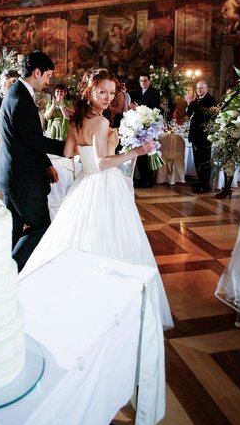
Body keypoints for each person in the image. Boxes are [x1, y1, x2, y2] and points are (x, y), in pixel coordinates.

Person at [20, 68, 173, 329]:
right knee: (110, 237)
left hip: (83, 184)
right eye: (102, 91)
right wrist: (135, 151)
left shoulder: (78, 118)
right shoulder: (100, 122)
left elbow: (69, 151)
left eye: (112, 93)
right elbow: (102, 163)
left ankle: (74, 294)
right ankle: (104, 306)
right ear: (90, 90)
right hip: (102, 182)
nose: (108, 98)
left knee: (78, 236)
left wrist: (85, 148)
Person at [0, 51, 65, 271]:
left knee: (15, 230)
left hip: (13, 177)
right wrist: (68, 148)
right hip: (24, 180)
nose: (48, 81)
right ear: (37, 72)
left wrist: (46, 164)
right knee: (41, 227)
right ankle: (10, 272)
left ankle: (3, 274)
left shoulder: (15, 93)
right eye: (47, 75)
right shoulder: (20, 99)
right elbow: (35, 140)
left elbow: (24, 139)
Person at [130, 73, 161, 188]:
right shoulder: (138, 93)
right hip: (138, 127)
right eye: (141, 81)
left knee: (148, 153)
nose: (143, 83)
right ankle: (142, 178)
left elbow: (154, 108)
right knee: (140, 153)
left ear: (149, 81)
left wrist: (138, 108)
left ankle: (148, 180)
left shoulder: (154, 92)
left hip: (149, 127)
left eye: (145, 80)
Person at [187, 80, 216, 193]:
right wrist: (191, 103)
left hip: (203, 137)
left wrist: (191, 102)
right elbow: (189, 113)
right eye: (198, 88)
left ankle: (205, 185)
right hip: (196, 136)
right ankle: (201, 182)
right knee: (198, 161)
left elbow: (201, 115)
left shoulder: (210, 99)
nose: (199, 90)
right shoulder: (197, 100)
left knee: (204, 161)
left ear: (206, 89)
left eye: (201, 88)